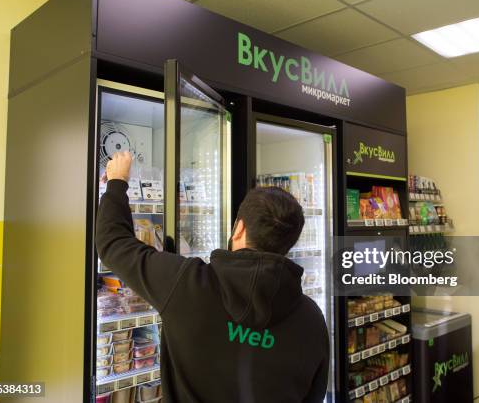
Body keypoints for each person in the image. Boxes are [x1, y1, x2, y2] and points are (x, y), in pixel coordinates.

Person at [96, 151, 329, 403]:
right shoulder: (312, 320)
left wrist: (117, 181)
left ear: (239, 228)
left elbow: (114, 244)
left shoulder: (187, 283)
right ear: (289, 243)